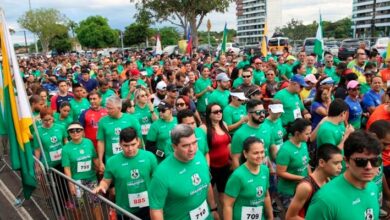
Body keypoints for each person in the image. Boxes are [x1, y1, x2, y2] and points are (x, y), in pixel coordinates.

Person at [306, 130, 382, 220]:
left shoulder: (373, 187)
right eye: (360, 161)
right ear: (346, 161)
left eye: (375, 161)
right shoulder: (325, 200)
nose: (369, 167)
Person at [149, 124, 218, 220]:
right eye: (185, 145)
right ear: (174, 146)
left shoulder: (199, 156)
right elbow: (156, 210)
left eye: (194, 143)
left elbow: (207, 183)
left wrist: (213, 208)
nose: (192, 149)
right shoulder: (161, 173)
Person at [93, 127, 157, 220]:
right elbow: (106, 181)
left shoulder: (149, 157)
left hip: (148, 206)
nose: (130, 149)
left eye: (133, 144)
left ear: (138, 141)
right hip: (125, 209)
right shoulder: (112, 161)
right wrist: (101, 186)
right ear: (120, 144)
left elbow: (156, 180)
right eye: (126, 145)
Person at [285, 144, 343, 219]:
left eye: (341, 162)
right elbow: (290, 217)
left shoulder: (327, 179)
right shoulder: (306, 187)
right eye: (336, 163)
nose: (340, 167)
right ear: (321, 162)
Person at [224, 137, 274, 220]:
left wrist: (270, 217)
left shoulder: (265, 170)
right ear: (245, 154)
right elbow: (228, 205)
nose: (260, 156)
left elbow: (266, 196)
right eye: (255, 153)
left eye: (262, 152)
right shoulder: (237, 176)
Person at [62, 122, 102, 220]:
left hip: (91, 178)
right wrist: (71, 184)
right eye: (72, 131)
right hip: (77, 181)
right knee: (78, 206)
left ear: (82, 131)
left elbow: (94, 158)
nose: (75, 132)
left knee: (96, 204)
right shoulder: (66, 148)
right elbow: (66, 168)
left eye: (78, 130)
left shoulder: (88, 142)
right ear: (68, 133)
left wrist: (100, 166)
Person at [97, 96, 142, 173]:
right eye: (106, 108)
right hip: (111, 159)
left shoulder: (132, 119)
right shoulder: (102, 121)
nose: (107, 111)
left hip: (130, 158)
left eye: (110, 108)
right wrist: (100, 161)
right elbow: (101, 142)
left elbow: (139, 139)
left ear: (119, 108)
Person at [276, 118, 312, 210]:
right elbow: (280, 173)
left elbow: (306, 163)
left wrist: (311, 176)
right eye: (307, 134)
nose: (310, 136)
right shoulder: (285, 150)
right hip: (288, 191)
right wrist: (302, 178)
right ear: (297, 134)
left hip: (303, 186)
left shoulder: (303, 144)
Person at [200, 103, 232, 204]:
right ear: (209, 115)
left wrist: (233, 160)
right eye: (215, 112)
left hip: (225, 165)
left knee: (223, 193)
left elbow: (228, 144)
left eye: (220, 111)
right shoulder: (204, 128)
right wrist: (205, 167)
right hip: (211, 167)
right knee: (206, 195)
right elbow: (203, 149)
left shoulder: (224, 125)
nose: (219, 113)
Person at [368, 120, 390, 218]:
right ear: (373, 136)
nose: (387, 148)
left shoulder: (377, 150)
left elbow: (381, 174)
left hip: (376, 198)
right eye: (384, 144)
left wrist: (388, 196)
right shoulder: (359, 158)